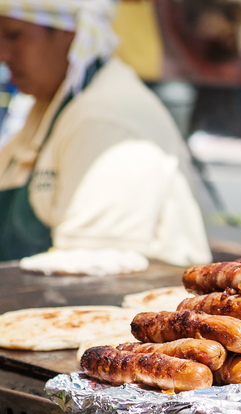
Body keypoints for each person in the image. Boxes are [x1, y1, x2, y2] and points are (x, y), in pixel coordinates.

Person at [0, 0, 211, 265]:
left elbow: (92, 269)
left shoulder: (103, 116)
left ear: (70, 33)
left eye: (13, 35)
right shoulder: (49, 101)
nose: (2, 54)